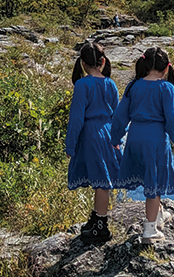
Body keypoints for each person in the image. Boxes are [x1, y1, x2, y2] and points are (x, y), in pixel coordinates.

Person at [111, 46, 174, 243]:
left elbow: (120, 116)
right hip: (155, 139)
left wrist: (115, 138)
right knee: (154, 182)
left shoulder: (133, 86)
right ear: (167, 68)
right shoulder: (166, 88)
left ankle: (159, 213)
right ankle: (150, 229)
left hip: (134, 137)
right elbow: (173, 120)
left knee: (149, 178)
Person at [66, 42, 122, 243]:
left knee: (100, 181)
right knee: (102, 179)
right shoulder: (110, 84)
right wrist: (118, 138)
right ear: (103, 61)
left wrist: (70, 144)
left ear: (82, 63)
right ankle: (97, 218)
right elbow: (118, 115)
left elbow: (76, 118)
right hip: (108, 132)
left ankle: (101, 225)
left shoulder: (82, 85)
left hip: (91, 134)